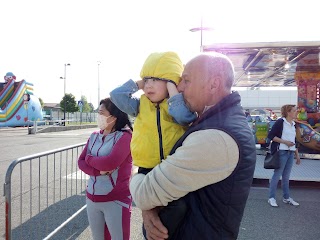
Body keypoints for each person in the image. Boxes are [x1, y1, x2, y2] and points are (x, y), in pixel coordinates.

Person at [130, 52, 257, 240]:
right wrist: (150, 207)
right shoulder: (215, 122)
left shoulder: (216, 138)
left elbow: (144, 193)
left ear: (214, 84)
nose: (179, 87)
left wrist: (137, 177)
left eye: (186, 81)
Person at [110, 52, 197, 238]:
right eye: (146, 79)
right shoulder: (139, 105)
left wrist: (172, 90)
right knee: (150, 205)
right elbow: (115, 95)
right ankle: (151, 233)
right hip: (146, 168)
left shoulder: (177, 106)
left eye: (156, 79)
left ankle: (160, 233)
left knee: (178, 205)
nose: (148, 85)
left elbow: (184, 117)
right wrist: (137, 83)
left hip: (171, 168)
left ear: (171, 82)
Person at [78, 97, 133, 240]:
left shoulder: (125, 137)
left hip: (115, 200)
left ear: (113, 117)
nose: (99, 116)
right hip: (92, 198)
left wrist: (89, 159)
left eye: (102, 113)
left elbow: (109, 163)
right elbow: (80, 162)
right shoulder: (94, 136)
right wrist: (96, 171)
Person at [267, 104, 301, 207]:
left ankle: (286, 197)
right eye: (294, 111)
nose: (296, 112)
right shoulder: (280, 122)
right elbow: (271, 136)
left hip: (290, 152)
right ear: (288, 112)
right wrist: (284, 142)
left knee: (286, 177)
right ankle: (271, 198)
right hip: (281, 151)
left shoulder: (294, 124)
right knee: (277, 175)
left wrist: (297, 154)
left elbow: (294, 141)